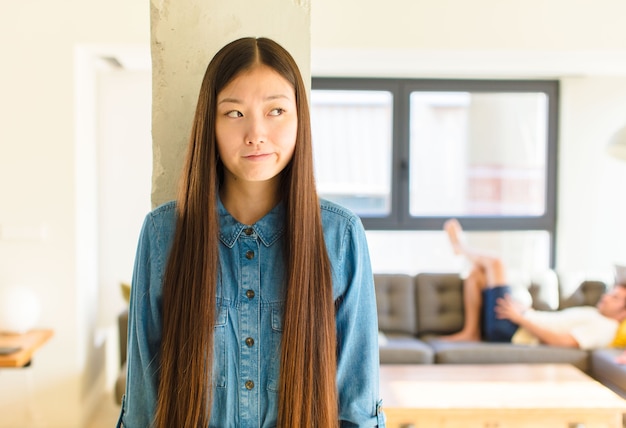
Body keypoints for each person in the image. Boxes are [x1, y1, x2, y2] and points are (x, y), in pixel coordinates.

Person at [117, 37, 385, 428]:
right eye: (234, 113)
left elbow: (356, 408)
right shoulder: (164, 233)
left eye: (275, 110)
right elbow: (144, 406)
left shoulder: (340, 236)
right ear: (210, 122)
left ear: (299, 119)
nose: (256, 133)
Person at [441, 218, 626, 349]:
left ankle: (460, 248)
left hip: (513, 331)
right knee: (477, 274)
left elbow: (562, 342)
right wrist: (526, 312)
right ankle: (471, 332)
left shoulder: (605, 327)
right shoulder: (595, 314)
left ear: (623, 312)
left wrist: (520, 318)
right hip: (518, 322)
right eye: (611, 292)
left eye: (615, 297)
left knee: (496, 263)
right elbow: (554, 323)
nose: (606, 296)